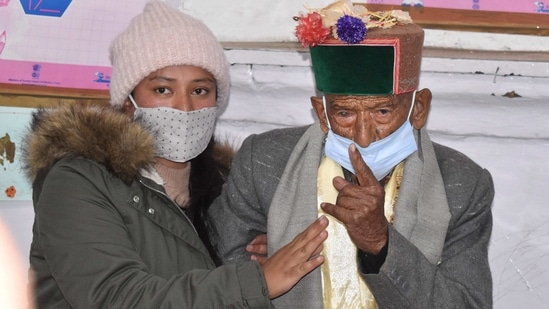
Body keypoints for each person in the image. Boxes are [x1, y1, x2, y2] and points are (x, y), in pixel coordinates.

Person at [22, 1, 328, 308]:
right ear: (127, 101)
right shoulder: (77, 181)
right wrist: (258, 281)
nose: (184, 107)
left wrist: (259, 253)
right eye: (163, 90)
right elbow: (115, 297)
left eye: (199, 91)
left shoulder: (226, 186)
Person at [207, 1, 494, 308]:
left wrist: (381, 244)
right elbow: (218, 270)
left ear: (419, 108)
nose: (363, 137)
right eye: (344, 113)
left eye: (383, 111)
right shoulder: (263, 163)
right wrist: (259, 277)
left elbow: (467, 304)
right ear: (321, 113)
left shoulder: (463, 185)